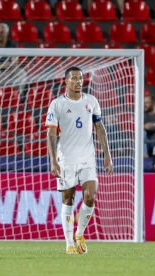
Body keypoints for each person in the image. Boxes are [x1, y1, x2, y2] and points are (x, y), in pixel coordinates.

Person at [46, 66, 113, 254]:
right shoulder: (57, 104)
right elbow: (51, 134)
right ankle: (69, 244)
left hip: (88, 158)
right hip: (66, 159)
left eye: (81, 78)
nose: (78, 81)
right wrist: (53, 161)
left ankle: (79, 233)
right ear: (66, 81)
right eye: (74, 78)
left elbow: (99, 128)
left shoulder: (91, 101)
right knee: (68, 200)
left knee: (90, 196)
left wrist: (107, 155)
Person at [0, 23, 27, 99]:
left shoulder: (12, 44)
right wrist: (2, 65)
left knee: (21, 72)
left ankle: (18, 97)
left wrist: (9, 70)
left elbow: (15, 62)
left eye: (1, 33)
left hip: (10, 68)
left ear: (7, 33)